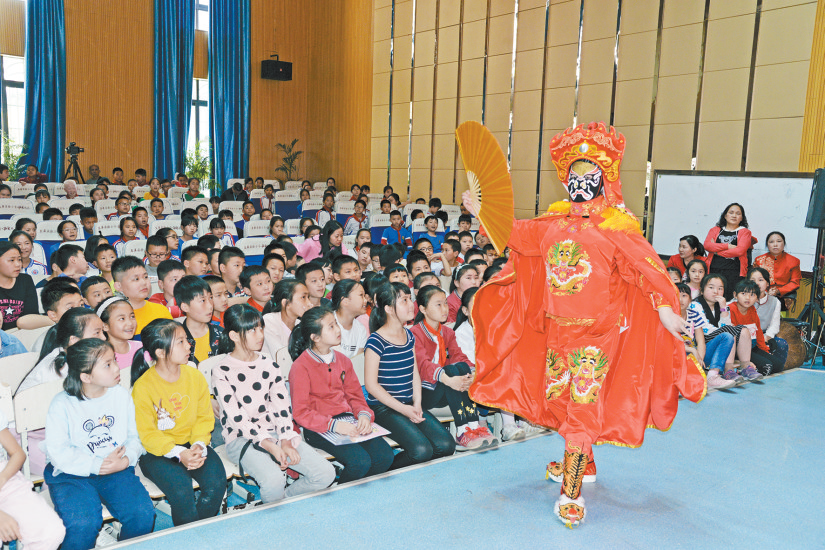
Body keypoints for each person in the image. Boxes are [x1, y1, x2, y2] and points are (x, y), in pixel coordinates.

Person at [459, 121, 705, 527]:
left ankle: (571, 491)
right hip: (557, 331)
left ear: (604, 177)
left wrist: (664, 307)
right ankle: (584, 463)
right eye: (573, 173)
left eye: (588, 173)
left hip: (597, 335)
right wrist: (480, 210)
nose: (579, 181)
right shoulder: (552, 224)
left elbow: (645, 270)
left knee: (583, 407)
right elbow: (515, 235)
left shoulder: (615, 228)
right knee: (560, 401)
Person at [212, 305, 335, 503]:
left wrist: (286, 439)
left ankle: (282, 501)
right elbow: (237, 419)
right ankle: (275, 510)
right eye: (252, 330)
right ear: (234, 335)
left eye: (261, 328)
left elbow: (282, 406)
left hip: (277, 433)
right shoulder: (222, 370)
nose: (260, 334)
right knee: (274, 481)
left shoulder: (268, 363)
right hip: (241, 439)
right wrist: (271, 446)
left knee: (325, 474)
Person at [44, 338, 154, 549]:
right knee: (83, 524)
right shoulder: (62, 404)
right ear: (86, 376)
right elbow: (59, 452)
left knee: (142, 514)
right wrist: (97, 465)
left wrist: (127, 460)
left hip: (116, 467)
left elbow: (134, 437)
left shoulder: (121, 395)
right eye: (108, 364)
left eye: (114, 360)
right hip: (72, 474)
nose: (117, 368)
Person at [131, 320, 226, 526]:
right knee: (182, 492)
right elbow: (148, 435)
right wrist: (178, 453)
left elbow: (204, 418)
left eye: (186, 340)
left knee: (217, 482)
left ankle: (197, 532)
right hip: (157, 452)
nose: (188, 346)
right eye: (180, 342)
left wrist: (199, 444)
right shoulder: (143, 387)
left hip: (192, 444)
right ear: (160, 352)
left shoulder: (194, 376)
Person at [289, 305, 393, 483]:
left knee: (385, 456)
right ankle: (342, 499)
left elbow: (356, 397)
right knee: (359, 462)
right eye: (331, 327)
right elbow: (301, 413)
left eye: (335, 324)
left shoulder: (343, 360)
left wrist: (363, 416)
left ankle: (362, 495)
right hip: (319, 428)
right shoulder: (300, 367)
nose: (338, 329)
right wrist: (333, 425)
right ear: (315, 337)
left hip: (348, 420)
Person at [364, 282, 456, 469]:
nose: (410, 304)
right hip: (383, 408)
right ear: (389, 308)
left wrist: (417, 404)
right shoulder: (376, 340)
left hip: (408, 404)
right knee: (421, 451)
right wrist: (405, 410)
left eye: (410, 299)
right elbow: (371, 386)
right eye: (404, 300)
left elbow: (414, 372)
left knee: (446, 445)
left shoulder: (409, 335)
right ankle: (382, 471)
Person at [412, 285, 495, 449]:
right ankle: (462, 430)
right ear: (423, 308)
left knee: (462, 366)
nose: (445, 309)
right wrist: (448, 379)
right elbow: (423, 364)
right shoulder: (415, 333)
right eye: (438, 304)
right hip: (424, 393)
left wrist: (471, 375)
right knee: (450, 370)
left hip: (445, 389)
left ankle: (473, 426)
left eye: (445, 303)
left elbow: (459, 356)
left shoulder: (448, 333)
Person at [686, 274, 753, 384]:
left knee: (743, 330)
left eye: (720, 288)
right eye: (711, 287)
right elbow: (705, 329)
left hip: (719, 339)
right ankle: (728, 370)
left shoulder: (722, 305)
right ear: (702, 290)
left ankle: (746, 367)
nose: (715, 291)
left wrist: (723, 308)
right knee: (728, 331)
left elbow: (727, 324)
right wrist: (724, 330)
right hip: (704, 343)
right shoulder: (695, 304)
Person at [729, 279, 782, 377]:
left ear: (757, 298)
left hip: (753, 347)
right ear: (735, 295)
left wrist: (765, 350)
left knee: (778, 365)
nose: (748, 297)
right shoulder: (731, 309)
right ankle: (742, 370)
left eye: (752, 295)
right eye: (743, 293)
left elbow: (758, 333)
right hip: (738, 350)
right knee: (766, 366)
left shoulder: (752, 310)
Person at [111, 256, 173, 338]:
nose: (144, 282)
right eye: (136, 279)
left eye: (145, 277)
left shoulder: (161, 310)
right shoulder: (115, 318)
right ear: (119, 286)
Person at [704, 203, 753, 300]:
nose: (734, 215)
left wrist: (717, 251)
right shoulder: (715, 230)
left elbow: (739, 251)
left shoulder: (745, 232)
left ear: (742, 218)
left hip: (734, 272)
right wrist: (727, 246)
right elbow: (707, 245)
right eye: (731, 213)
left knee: (730, 300)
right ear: (725, 216)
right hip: (714, 269)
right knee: (713, 298)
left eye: (738, 213)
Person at [175, 276, 223, 365]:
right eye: (203, 300)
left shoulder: (222, 334)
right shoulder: (176, 341)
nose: (210, 306)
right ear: (185, 307)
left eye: (211, 298)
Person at [748, 267, 788, 370]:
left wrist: (765, 338)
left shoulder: (775, 302)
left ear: (767, 284)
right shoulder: (741, 298)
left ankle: (777, 371)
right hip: (746, 339)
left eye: (761, 280)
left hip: (764, 336)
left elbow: (774, 326)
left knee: (781, 344)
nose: (756, 283)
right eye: (753, 280)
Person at [753, 231, 801, 311]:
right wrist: (765, 293)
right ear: (767, 245)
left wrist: (778, 291)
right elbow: (754, 280)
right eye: (771, 242)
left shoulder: (793, 261)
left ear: (784, 244)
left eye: (779, 241)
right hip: (762, 294)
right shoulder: (759, 260)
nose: (775, 244)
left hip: (783, 295)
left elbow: (795, 282)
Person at [262, 279, 312, 356]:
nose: (309, 303)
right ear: (286, 303)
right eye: (303, 297)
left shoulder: (300, 324)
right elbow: (281, 357)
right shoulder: (269, 321)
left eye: (308, 297)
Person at [0, 242, 39, 331]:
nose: (18, 264)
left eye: (19, 259)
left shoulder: (25, 280)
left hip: (22, 335)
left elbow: (32, 316)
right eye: (12, 260)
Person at [98, 297, 140, 372]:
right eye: (122, 318)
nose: (130, 323)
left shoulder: (142, 348)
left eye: (132, 317)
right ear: (105, 326)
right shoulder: (101, 358)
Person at [332, 280, 369, 358]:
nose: (365, 300)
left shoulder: (361, 328)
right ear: (345, 301)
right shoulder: (328, 324)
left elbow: (358, 361)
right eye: (361, 295)